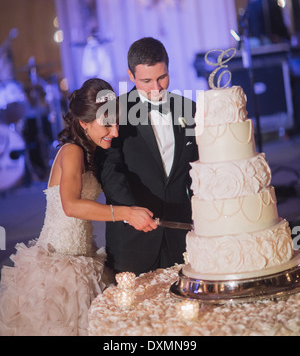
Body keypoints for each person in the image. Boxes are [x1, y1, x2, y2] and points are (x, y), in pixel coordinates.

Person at [0, 78, 156, 336]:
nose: (115, 132)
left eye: (116, 123)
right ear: (84, 123)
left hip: (85, 259)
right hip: (59, 267)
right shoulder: (71, 151)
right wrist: (126, 213)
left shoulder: (92, 153)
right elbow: (71, 206)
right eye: (107, 125)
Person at [100, 37, 198, 275]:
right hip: (134, 239)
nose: (156, 88)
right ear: (130, 75)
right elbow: (109, 171)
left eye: (162, 77)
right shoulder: (114, 111)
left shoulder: (190, 108)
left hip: (183, 232)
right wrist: (131, 212)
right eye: (146, 81)